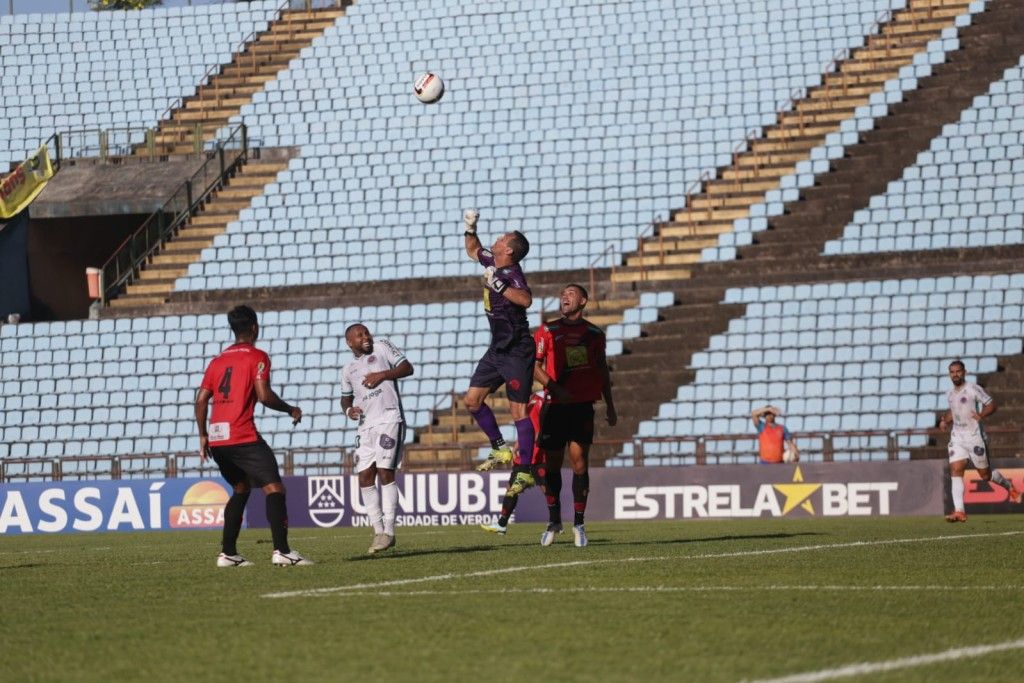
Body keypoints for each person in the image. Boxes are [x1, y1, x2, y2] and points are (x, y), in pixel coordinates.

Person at [194, 305, 312, 567]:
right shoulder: (257, 356)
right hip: (242, 435)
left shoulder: (217, 361)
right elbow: (264, 395)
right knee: (274, 488)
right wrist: (290, 408)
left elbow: (201, 400)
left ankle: (228, 554)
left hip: (218, 438)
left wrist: (203, 435)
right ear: (255, 328)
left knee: (241, 488)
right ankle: (282, 551)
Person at [532, 283, 617, 548]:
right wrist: (555, 388)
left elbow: (602, 370)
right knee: (553, 464)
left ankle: (579, 523)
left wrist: (611, 405)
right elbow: (533, 365)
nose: (564, 296)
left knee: (579, 463)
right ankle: (554, 519)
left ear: (583, 301)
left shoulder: (594, 334)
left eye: (570, 293)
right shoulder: (548, 330)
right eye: (562, 294)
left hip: (581, 406)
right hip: (556, 406)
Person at [461, 208, 536, 496]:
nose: (499, 236)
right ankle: (500, 449)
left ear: (509, 249)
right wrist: (470, 226)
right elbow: (472, 250)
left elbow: (525, 300)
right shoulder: (493, 260)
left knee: (518, 410)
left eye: (503, 237)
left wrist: (498, 285)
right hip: (497, 350)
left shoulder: (512, 274)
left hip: (517, 350)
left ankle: (525, 471)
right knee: (472, 401)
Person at [340, 323, 414, 554]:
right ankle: (379, 531)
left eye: (366, 333)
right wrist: (349, 410)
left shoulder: (382, 347)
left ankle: (389, 531)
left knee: (385, 472)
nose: (366, 337)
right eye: (359, 335)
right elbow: (345, 398)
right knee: (364, 477)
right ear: (349, 342)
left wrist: (383, 375)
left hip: (389, 418)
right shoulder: (348, 369)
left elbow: (407, 368)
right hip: (365, 427)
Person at [940, 359, 1021, 522]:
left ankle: (1009, 487)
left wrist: (981, 414)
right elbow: (954, 411)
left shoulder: (973, 389)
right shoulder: (949, 394)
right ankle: (959, 511)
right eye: (952, 372)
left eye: (958, 371)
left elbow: (991, 404)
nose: (955, 374)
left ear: (964, 372)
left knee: (985, 475)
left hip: (975, 438)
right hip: (957, 438)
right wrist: (945, 420)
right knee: (956, 470)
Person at [480, 391, 548, 536]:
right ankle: (502, 524)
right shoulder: (520, 405)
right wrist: (516, 448)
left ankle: (555, 520)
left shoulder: (539, 401)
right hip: (524, 454)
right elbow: (524, 432)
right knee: (511, 488)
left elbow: (543, 425)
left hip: (537, 453)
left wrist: (539, 438)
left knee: (546, 488)